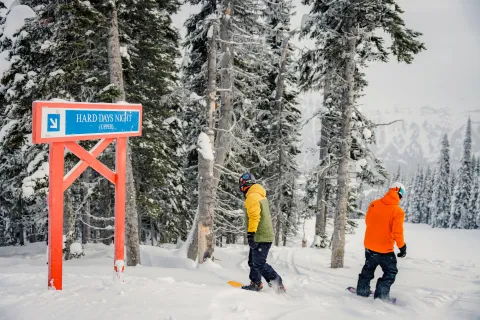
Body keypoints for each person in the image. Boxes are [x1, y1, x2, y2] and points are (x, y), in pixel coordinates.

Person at [356, 181, 407, 300]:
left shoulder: (374, 204)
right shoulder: (398, 211)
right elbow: (397, 232)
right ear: (399, 193)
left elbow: (368, 221)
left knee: (368, 268)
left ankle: (362, 291)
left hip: (369, 246)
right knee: (390, 272)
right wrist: (402, 247)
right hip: (384, 250)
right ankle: (381, 295)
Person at [238, 172, 286, 293]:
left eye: (241, 185)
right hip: (261, 235)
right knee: (252, 261)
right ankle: (256, 283)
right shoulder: (258, 195)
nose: (241, 188)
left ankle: (278, 283)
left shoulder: (252, 197)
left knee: (258, 263)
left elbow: (254, 216)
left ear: (245, 185)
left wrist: (251, 234)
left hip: (260, 236)